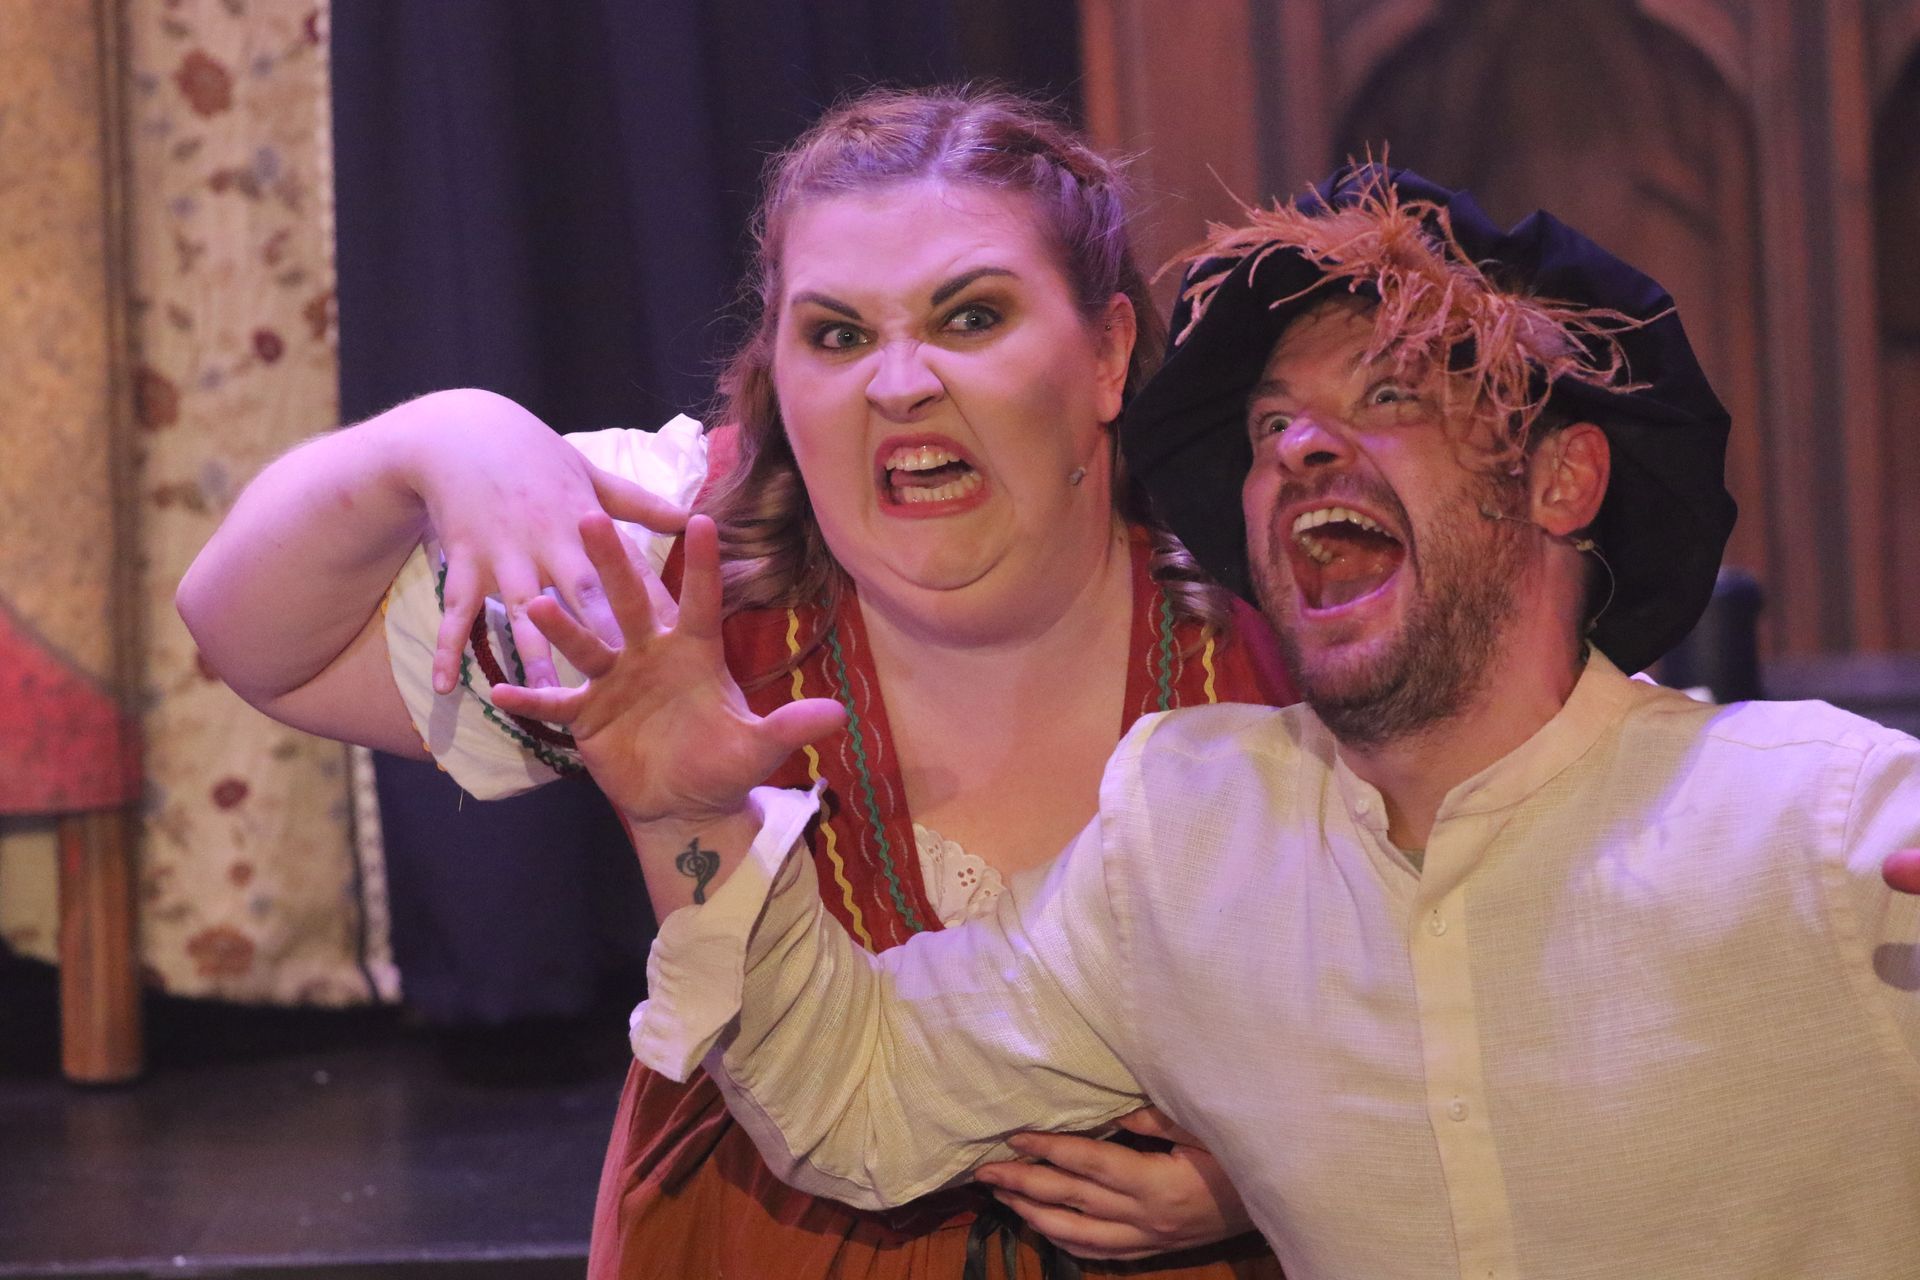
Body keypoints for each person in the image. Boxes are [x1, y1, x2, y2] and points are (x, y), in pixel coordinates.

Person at [497, 164, 1920, 1278]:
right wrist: (692, 819)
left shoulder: (1819, 821)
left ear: (1560, 481)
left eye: (1389, 393)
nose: (1299, 446)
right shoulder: (1190, 839)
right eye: (1265, 427)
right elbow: (857, 1096)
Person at [177, 88, 1295, 1278]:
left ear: (1108, 352)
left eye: (970, 316)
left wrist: (1266, 1171)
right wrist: (438, 438)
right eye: (838, 335)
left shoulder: (1276, 601)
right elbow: (256, 636)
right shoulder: (682, 564)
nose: (899, 382)